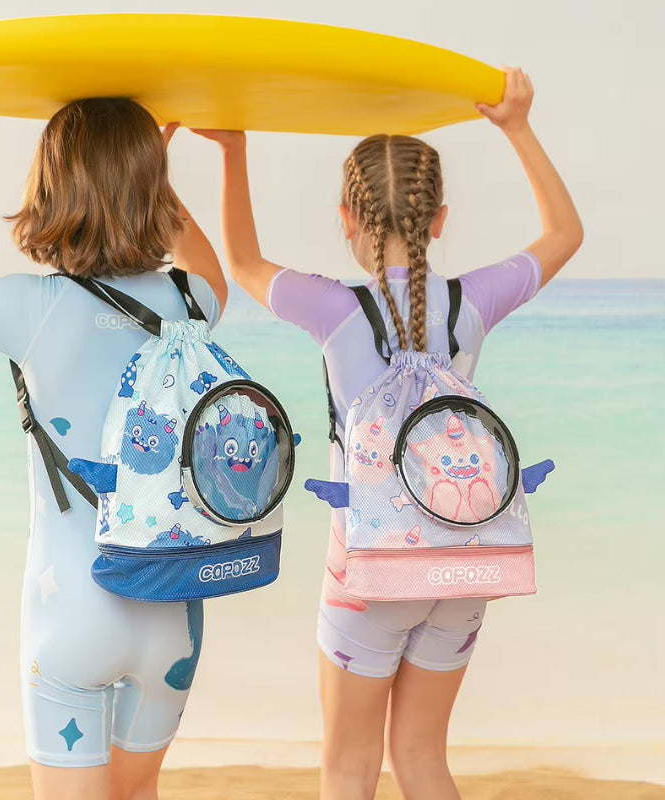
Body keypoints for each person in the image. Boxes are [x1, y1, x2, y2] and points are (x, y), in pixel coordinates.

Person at [194, 68, 582, 800]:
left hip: (370, 570)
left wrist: (231, 149)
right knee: (424, 761)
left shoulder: (330, 307)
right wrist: (515, 126)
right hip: (466, 565)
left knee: (348, 769)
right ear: (441, 219)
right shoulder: (474, 299)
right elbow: (567, 233)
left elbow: (240, 260)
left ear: (346, 215)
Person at [0, 99, 227, 800]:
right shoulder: (191, 301)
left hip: (72, 619)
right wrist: (153, 170)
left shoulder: (20, 306)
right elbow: (210, 268)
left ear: (48, 186)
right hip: (173, 614)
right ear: (153, 187)